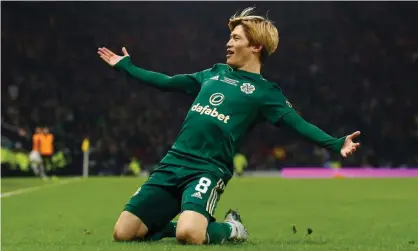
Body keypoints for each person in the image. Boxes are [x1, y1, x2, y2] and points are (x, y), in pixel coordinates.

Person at [97, 7, 360, 245]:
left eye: (236, 38)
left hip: (208, 169)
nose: (228, 43)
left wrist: (336, 143)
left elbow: (298, 125)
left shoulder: (266, 93)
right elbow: (167, 82)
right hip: (172, 163)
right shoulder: (213, 73)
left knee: (189, 235)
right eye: (230, 37)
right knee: (123, 233)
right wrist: (127, 67)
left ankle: (232, 228)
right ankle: (174, 225)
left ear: (256, 46)